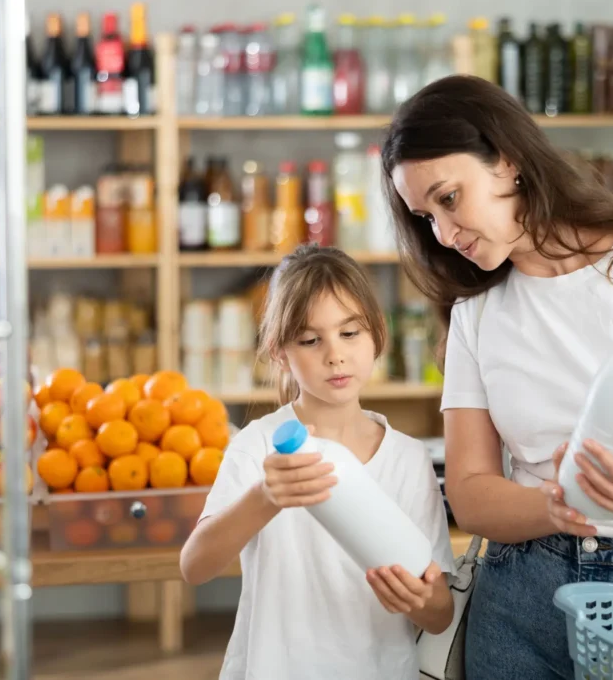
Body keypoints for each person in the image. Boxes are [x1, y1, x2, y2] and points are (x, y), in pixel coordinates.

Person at [381, 75, 613, 678]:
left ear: (507, 163)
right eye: (425, 217)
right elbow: (473, 491)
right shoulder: (475, 312)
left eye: (449, 199)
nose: (445, 235)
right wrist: (555, 507)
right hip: (522, 598)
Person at [179, 244, 456, 680]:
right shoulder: (259, 446)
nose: (335, 354)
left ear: (377, 333)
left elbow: (440, 614)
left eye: (350, 333)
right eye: (310, 340)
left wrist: (420, 600)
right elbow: (195, 567)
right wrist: (266, 497)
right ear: (278, 351)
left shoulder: (408, 457)